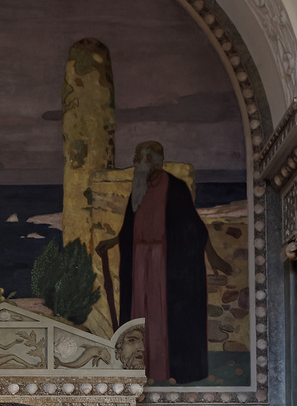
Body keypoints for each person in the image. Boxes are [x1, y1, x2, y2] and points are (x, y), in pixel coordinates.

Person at [97, 141, 231, 384]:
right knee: (140, 312)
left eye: (141, 158)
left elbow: (194, 228)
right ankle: (140, 367)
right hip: (139, 262)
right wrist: (113, 241)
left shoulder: (175, 188)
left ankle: (163, 368)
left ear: (156, 161)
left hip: (164, 264)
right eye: (137, 157)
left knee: (162, 315)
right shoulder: (138, 188)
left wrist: (212, 255)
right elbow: (130, 227)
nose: (137, 162)